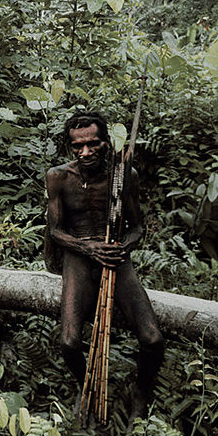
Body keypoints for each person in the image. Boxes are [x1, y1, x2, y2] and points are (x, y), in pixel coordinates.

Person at [46, 111, 164, 419]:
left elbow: (138, 228)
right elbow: (56, 231)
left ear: (106, 143)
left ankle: (141, 391)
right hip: (79, 254)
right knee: (70, 343)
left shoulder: (125, 177)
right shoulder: (59, 177)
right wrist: (86, 247)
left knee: (153, 339)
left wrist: (120, 247)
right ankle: (86, 385)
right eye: (77, 146)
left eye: (92, 145)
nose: (84, 153)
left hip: (114, 254)